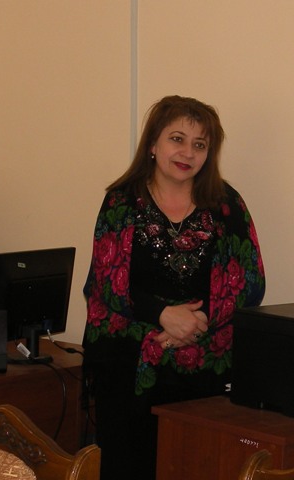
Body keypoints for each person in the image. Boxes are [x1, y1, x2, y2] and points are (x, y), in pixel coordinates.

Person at [82, 95, 266, 480]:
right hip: (128, 369)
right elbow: (107, 279)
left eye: (199, 144)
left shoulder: (227, 204)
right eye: (177, 139)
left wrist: (195, 324)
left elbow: (249, 281)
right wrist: (163, 316)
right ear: (153, 143)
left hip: (204, 374)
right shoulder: (121, 201)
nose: (188, 153)